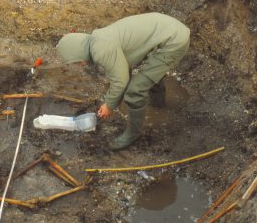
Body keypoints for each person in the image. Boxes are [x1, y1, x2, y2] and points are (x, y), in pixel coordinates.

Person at [56, 12, 190, 150]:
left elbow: (121, 81)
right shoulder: (98, 38)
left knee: (135, 90)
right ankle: (158, 106)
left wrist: (109, 105)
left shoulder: (101, 50)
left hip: (173, 41)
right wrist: (111, 100)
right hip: (169, 30)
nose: (80, 65)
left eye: (76, 61)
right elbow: (124, 70)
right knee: (147, 77)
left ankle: (133, 133)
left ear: (77, 52)